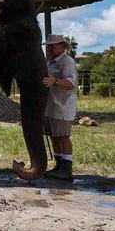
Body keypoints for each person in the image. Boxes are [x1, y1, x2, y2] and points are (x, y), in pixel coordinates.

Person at [42, 34, 78, 182]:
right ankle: (59, 166)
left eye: (54, 45)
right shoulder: (51, 62)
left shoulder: (66, 61)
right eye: (49, 45)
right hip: (52, 107)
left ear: (63, 46)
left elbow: (71, 83)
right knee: (55, 137)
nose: (50, 48)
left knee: (63, 137)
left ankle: (67, 168)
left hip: (63, 106)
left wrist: (55, 82)